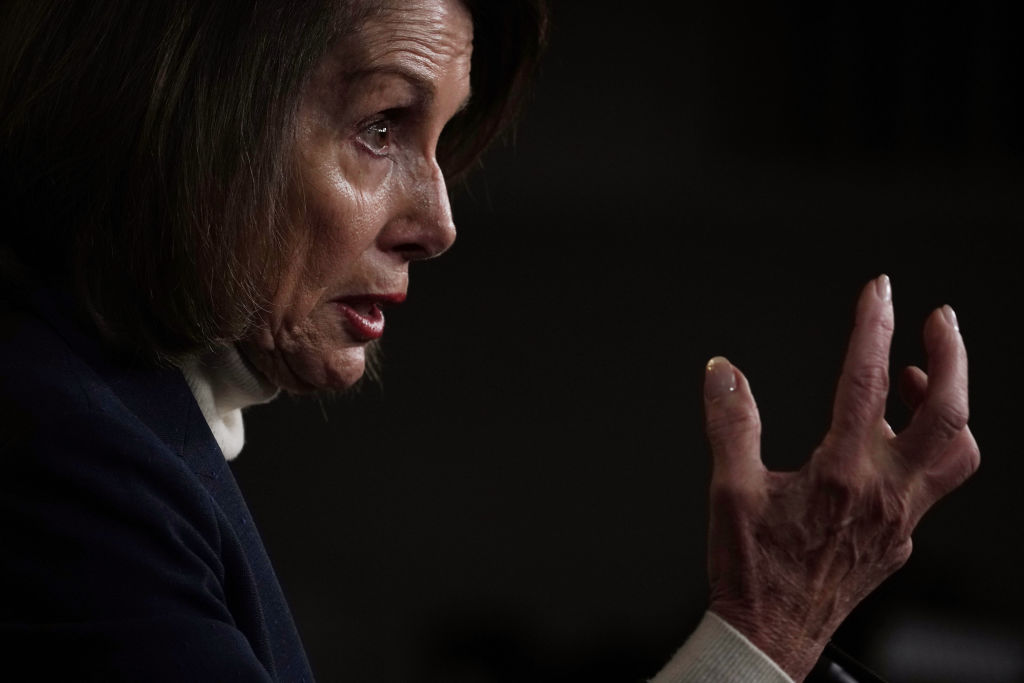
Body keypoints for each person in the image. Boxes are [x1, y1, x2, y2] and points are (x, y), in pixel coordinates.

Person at [0, 1, 978, 681]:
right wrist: (769, 625)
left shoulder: (115, 407)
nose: (438, 223)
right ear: (183, 112)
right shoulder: (60, 447)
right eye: (382, 126)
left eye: (441, 139)